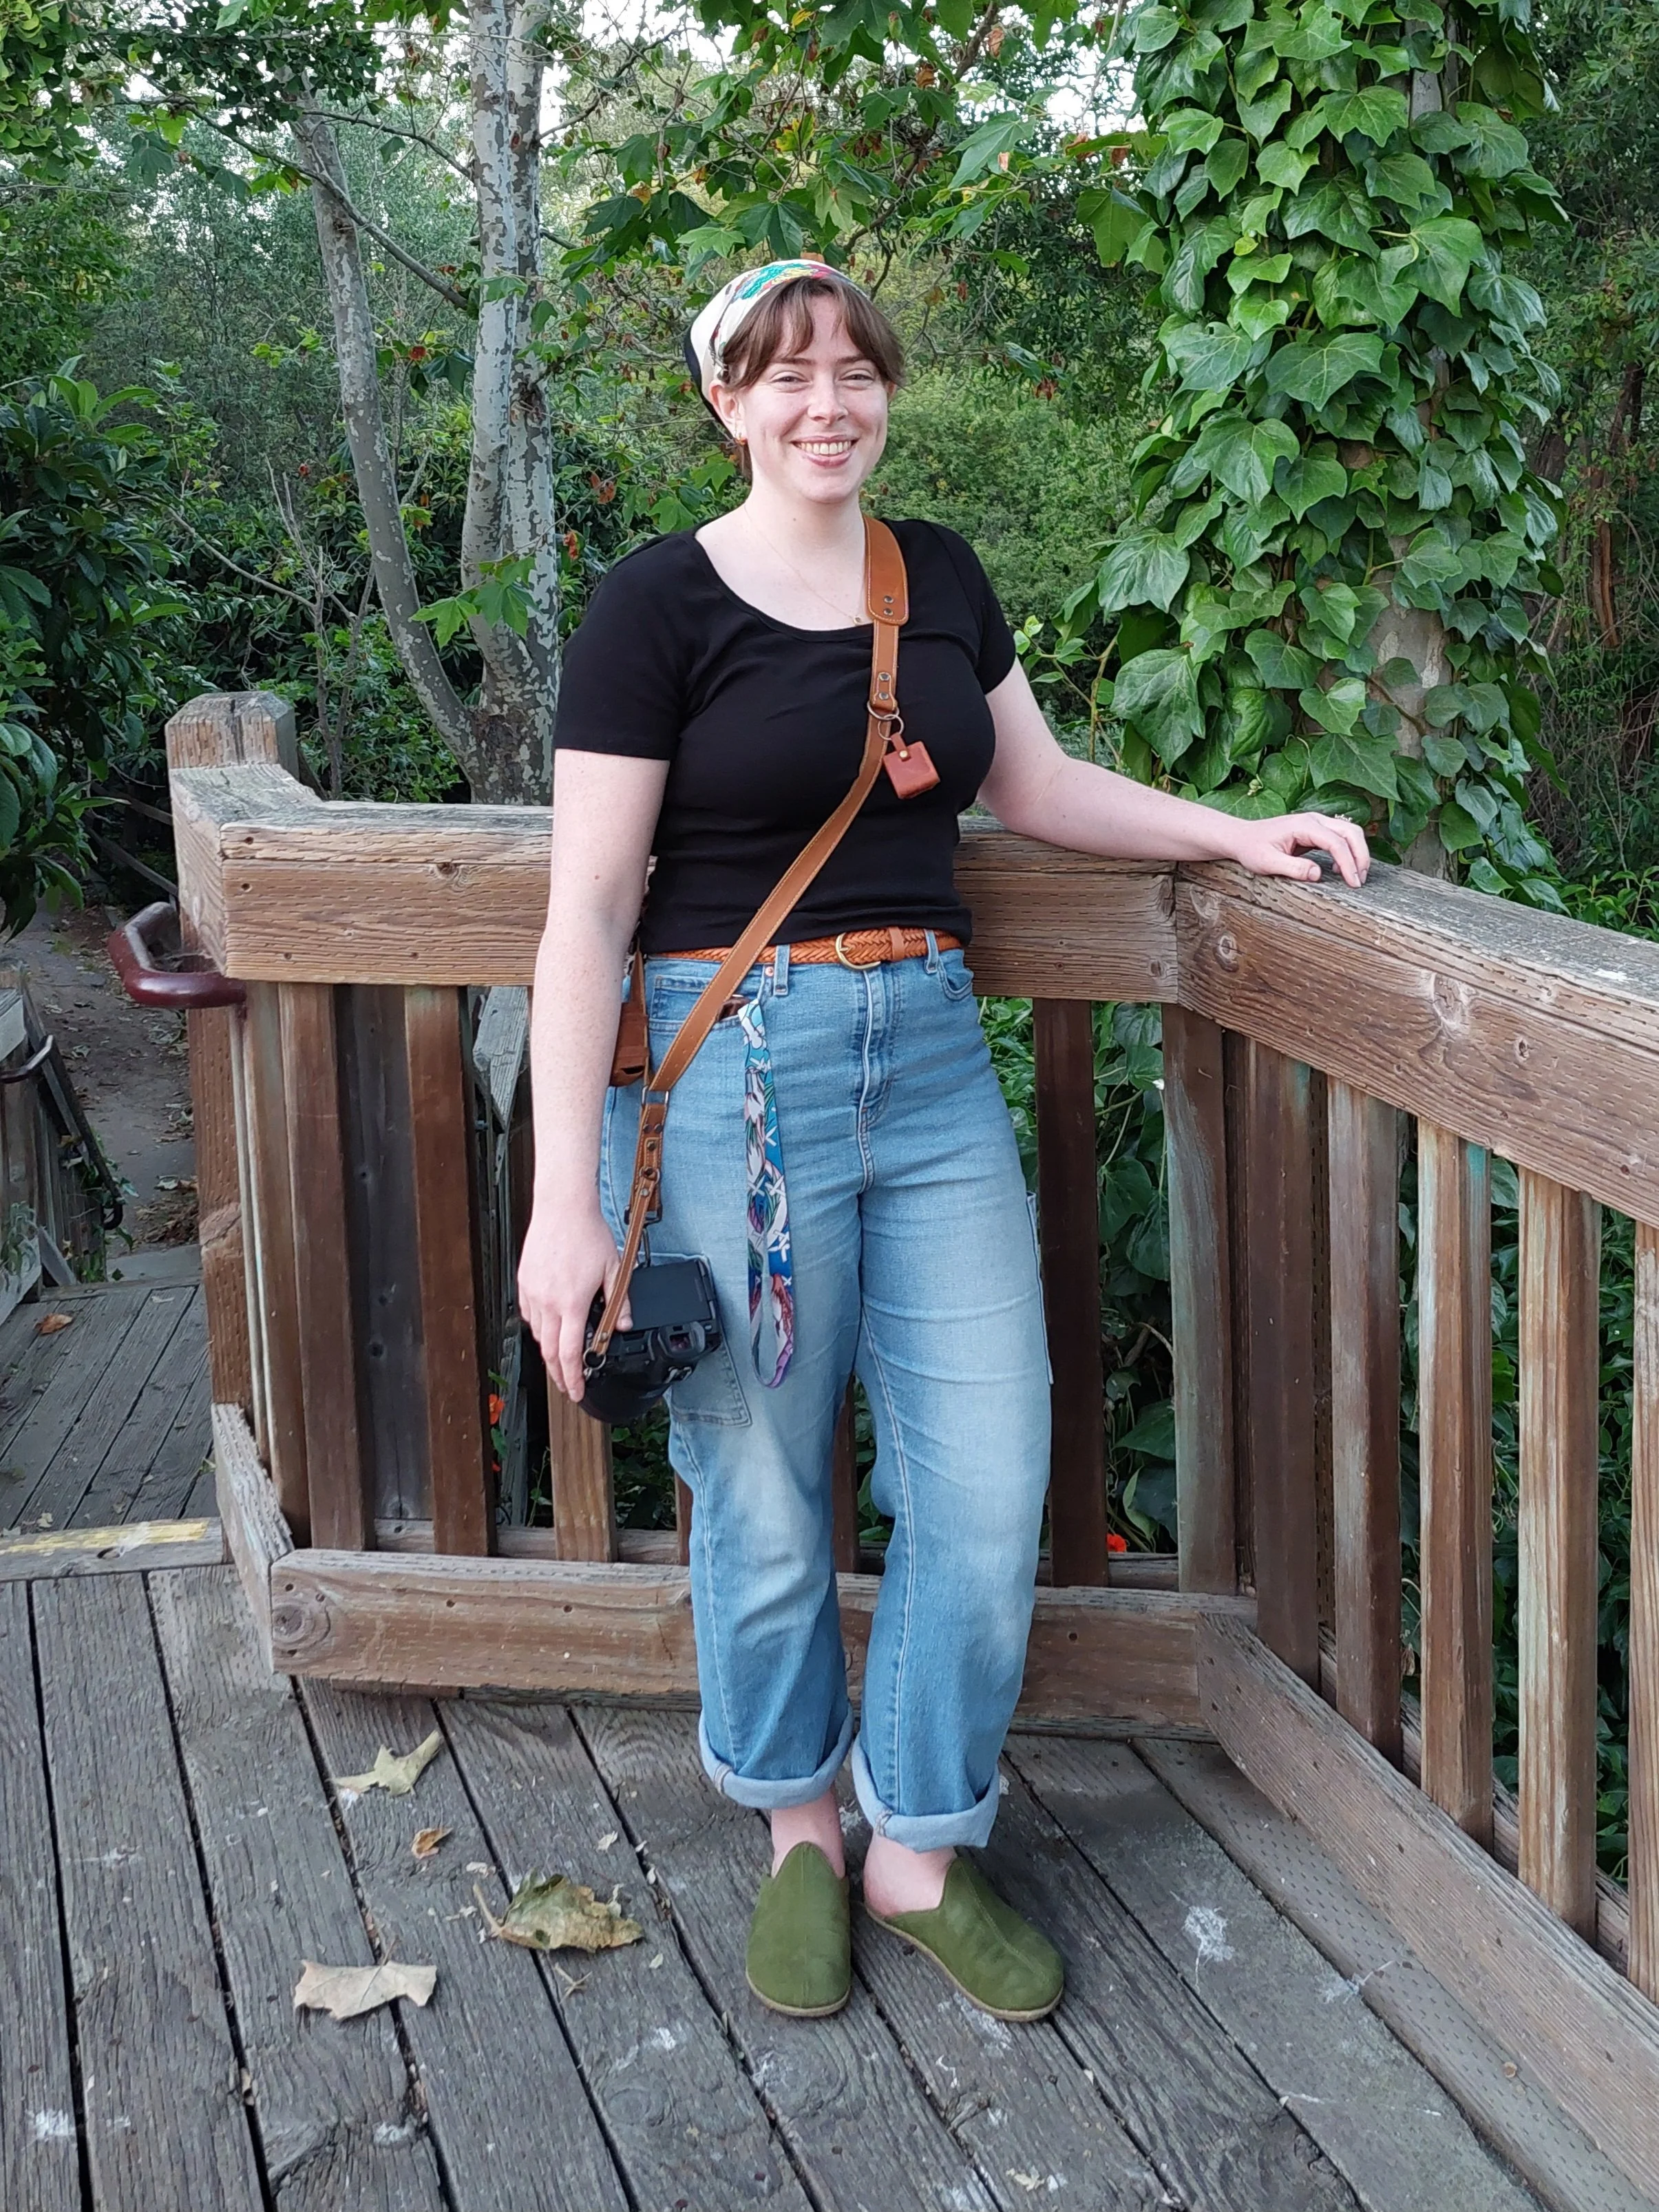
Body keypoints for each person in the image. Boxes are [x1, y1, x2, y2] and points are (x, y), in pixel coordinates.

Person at [519, 257, 1369, 2025]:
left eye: (852, 369)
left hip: (928, 1062)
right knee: (759, 1495)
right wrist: (559, 1213)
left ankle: (918, 1837)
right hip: (724, 1075)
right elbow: (586, 906)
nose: (825, 402)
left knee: (983, 1478)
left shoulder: (939, 578)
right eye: (784, 374)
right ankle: (797, 1828)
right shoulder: (653, 607)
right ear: (725, 404)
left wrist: (1234, 832)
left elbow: (1031, 789)